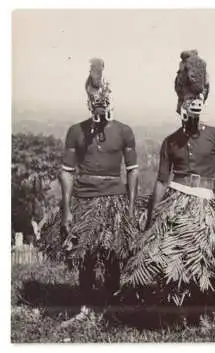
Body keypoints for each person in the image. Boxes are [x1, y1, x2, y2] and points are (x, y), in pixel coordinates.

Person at [122, 50, 215, 306]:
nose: (192, 107)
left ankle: (202, 309)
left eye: (197, 101)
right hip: (175, 200)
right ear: (181, 104)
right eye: (188, 101)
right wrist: (152, 216)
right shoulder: (170, 141)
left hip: (205, 203)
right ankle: (176, 307)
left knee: (209, 258)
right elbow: (161, 181)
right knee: (168, 256)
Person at [43, 58, 139, 303]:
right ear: (88, 102)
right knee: (84, 255)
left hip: (114, 199)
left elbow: (132, 171)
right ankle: (85, 306)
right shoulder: (76, 131)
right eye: (94, 102)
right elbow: (66, 171)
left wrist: (128, 207)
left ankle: (111, 306)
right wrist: (66, 210)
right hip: (83, 198)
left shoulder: (124, 131)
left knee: (113, 254)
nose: (98, 108)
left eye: (102, 102)